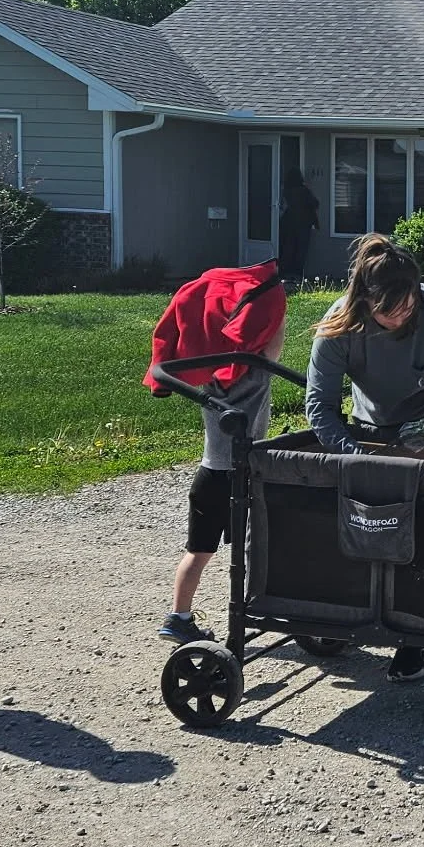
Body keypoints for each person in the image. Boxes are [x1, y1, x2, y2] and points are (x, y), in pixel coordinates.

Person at [307, 234, 424, 680]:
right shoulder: (339, 327)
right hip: (369, 433)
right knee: (372, 532)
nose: (403, 313)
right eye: (391, 309)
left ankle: (414, 639)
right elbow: (319, 406)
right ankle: (353, 617)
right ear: (365, 302)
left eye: (409, 303)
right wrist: (355, 456)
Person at [145, 261, 289, 644]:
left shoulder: (207, 378)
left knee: (199, 551)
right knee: (259, 547)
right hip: (245, 474)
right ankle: (256, 610)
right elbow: (272, 347)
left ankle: (178, 616)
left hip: (210, 474)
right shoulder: (257, 372)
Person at [279, 167, 320, 283]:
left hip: (289, 222)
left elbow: (282, 206)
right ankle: (297, 274)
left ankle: (284, 272)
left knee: (288, 247)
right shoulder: (303, 190)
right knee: (301, 249)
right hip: (303, 223)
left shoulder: (286, 190)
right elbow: (315, 203)